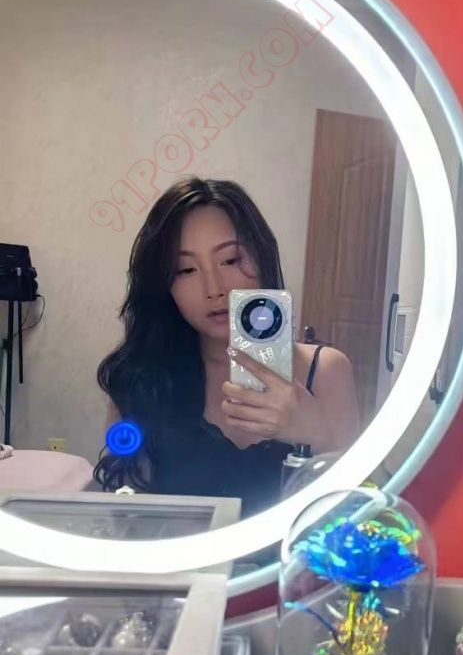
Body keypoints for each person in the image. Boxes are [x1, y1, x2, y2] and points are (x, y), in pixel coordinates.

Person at [94, 176, 360, 517]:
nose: (214, 289)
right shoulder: (142, 377)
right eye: (185, 269)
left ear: (263, 258)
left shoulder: (325, 372)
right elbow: (125, 514)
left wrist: (317, 433)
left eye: (231, 260)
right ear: (165, 286)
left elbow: (351, 518)